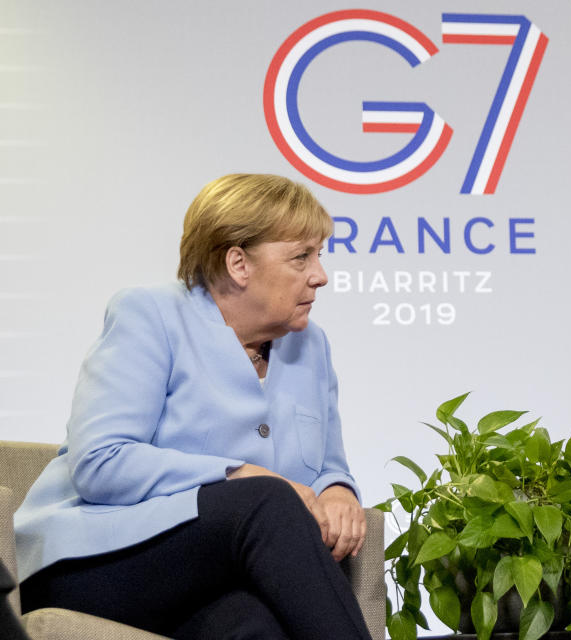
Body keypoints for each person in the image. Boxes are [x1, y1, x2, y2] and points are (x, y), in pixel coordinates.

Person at [14, 174, 373, 639]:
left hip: (210, 577)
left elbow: (327, 464)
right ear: (238, 264)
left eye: (319, 255)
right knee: (268, 499)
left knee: (255, 627)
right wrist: (240, 473)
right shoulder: (150, 315)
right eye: (301, 256)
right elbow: (100, 462)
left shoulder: (311, 346)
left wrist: (339, 490)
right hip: (95, 560)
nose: (319, 275)